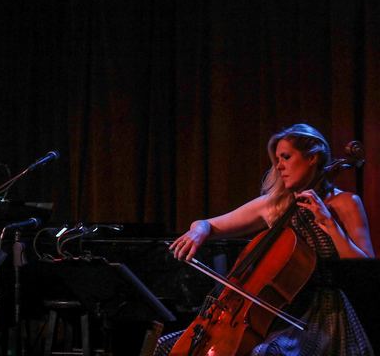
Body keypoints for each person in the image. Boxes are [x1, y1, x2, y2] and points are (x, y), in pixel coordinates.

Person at [156, 123, 375, 356]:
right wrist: (198, 231)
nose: (279, 166)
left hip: (324, 315)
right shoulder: (275, 205)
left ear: (313, 158)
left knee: (266, 353)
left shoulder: (345, 203)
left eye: (286, 157)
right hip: (277, 314)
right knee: (165, 345)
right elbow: (209, 224)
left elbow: (364, 267)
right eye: (277, 159)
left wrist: (327, 222)